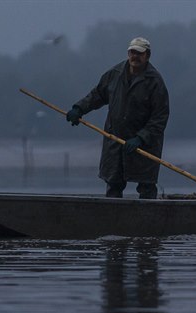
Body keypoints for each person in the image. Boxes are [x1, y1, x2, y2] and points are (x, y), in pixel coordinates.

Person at [66, 37, 170, 199]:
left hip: (145, 146)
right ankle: (113, 220)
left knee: (146, 186)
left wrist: (141, 138)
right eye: (132, 52)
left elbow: (160, 117)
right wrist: (79, 108)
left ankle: (148, 220)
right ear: (128, 53)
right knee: (113, 183)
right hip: (114, 139)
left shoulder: (155, 81)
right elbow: (97, 95)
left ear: (147, 56)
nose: (135, 56)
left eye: (139, 53)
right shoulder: (114, 74)